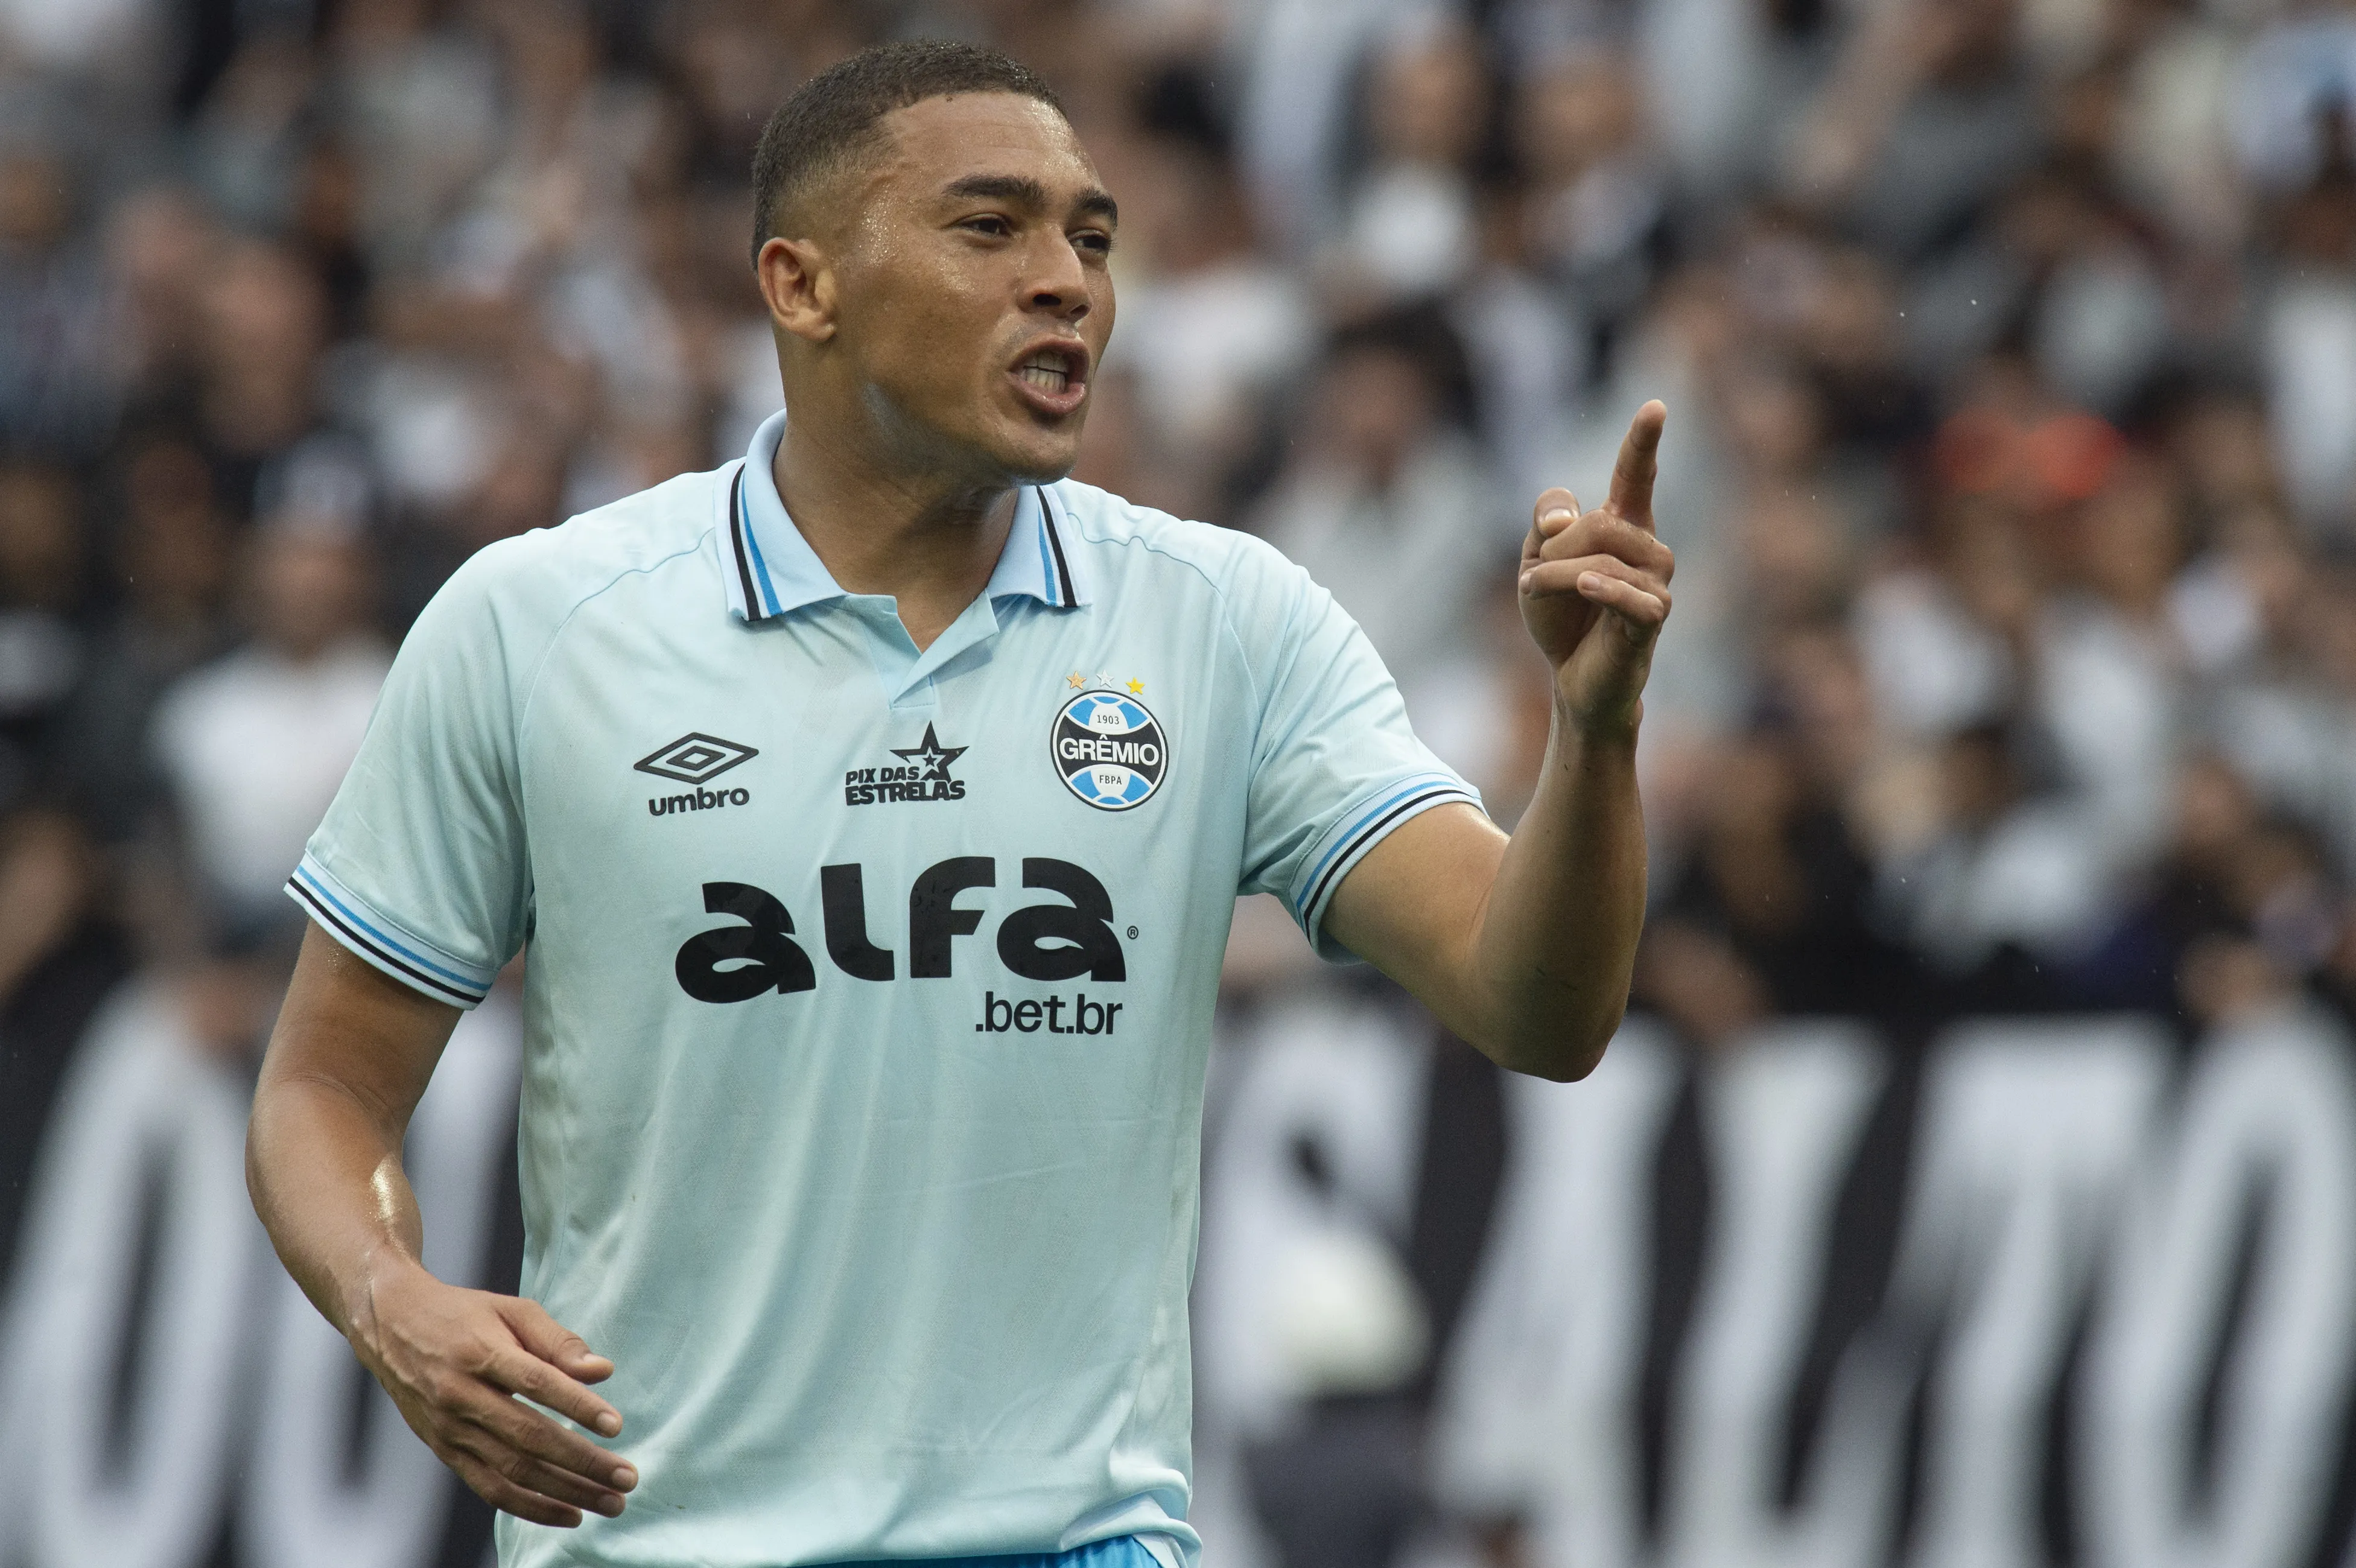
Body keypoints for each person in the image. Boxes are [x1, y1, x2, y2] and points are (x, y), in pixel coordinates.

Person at [243, 40, 1674, 1568]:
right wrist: (393, 1302)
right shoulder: (537, 625)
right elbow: (323, 1090)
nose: (1064, 279)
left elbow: (1539, 1012)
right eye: (990, 228)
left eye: (1092, 237)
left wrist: (1593, 738)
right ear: (802, 287)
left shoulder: (1226, 621)